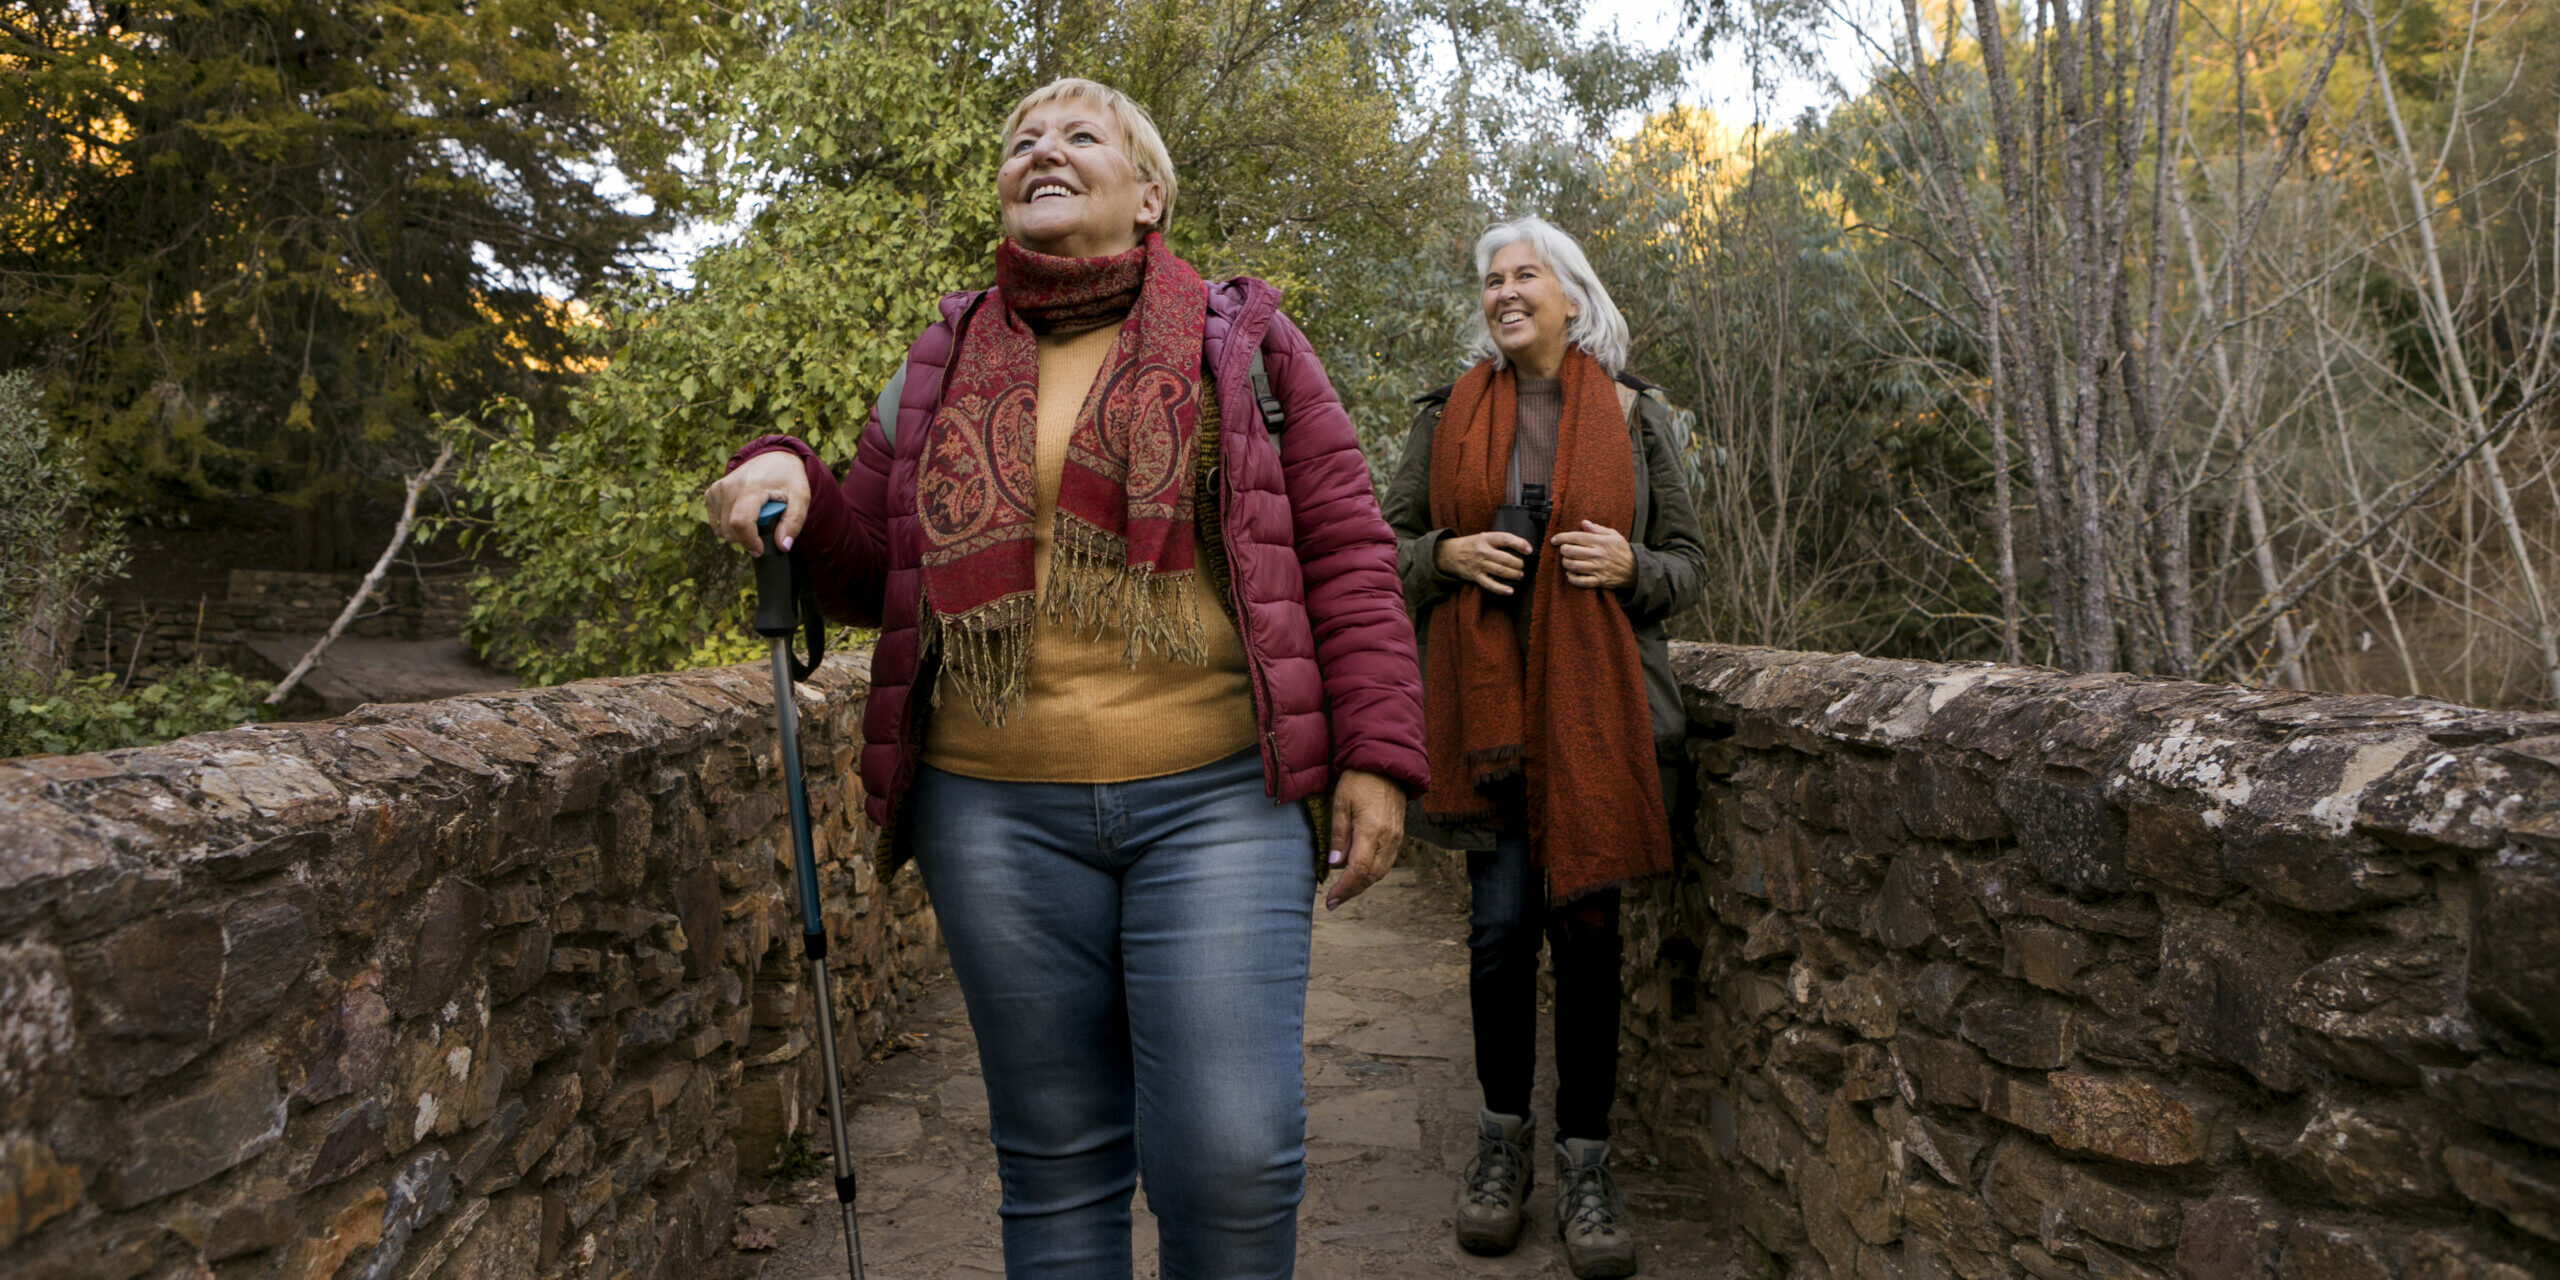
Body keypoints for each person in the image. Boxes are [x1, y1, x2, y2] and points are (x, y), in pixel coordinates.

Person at [701, 77, 1427, 1280]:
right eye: (1021, 141)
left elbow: (1347, 550)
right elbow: (872, 562)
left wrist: (1379, 757)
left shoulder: (1241, 340)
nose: (1042, 150)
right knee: (1056, 1157)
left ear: (1148, 193)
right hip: (993, 812)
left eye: (1079, 136)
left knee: (1233, 1151)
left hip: (1217, 797)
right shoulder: (944, 353)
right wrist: (785, 469)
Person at [1381, 216, 1705, 1279]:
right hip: (1487, 727)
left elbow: (1690, 562)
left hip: (1599, 721)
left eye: (1525, 275)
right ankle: (1500, 1145)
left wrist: (1630, 564)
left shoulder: (1630, 413)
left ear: (1572, 295)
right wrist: (1445, 550)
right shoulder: (1446, 417)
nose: (1504, 291)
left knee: (1591, 936)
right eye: (1491, 278)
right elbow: (1379, 551)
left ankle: (1588, 1162)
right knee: (1499, 931)